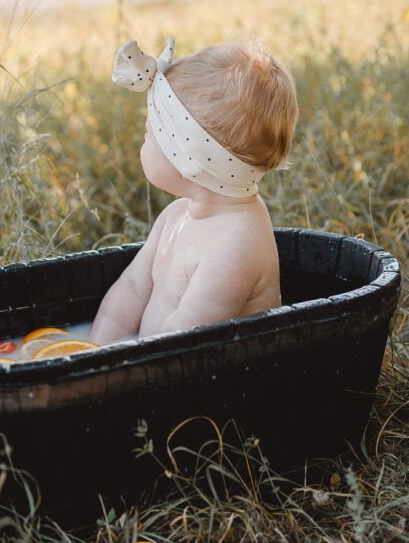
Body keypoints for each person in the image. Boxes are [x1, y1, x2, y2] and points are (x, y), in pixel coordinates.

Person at [89, 36, 298, 345]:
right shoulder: (176, 215)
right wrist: (94, 352)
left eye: (150, 133)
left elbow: (181, 345)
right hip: (152, 369)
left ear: (189, 160)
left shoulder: (235, 246)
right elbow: (132, 289)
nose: (142, 139)